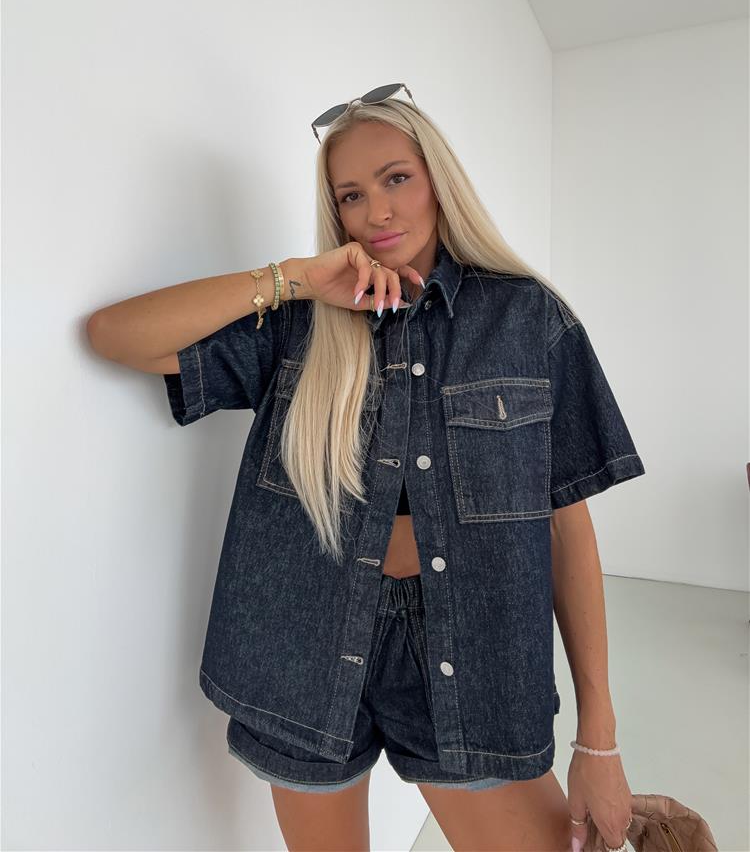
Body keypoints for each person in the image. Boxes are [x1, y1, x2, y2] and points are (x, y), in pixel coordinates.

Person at [86, 85, 643, 852]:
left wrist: (599, 739)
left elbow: (566, 527)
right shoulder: (300, 324)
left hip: (472, 645)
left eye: (396, 178)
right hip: (306, 642)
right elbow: (115, 335)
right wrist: (294, 279)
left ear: (438, 179)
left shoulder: (527, 319)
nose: (377, 211)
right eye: (351, 194)